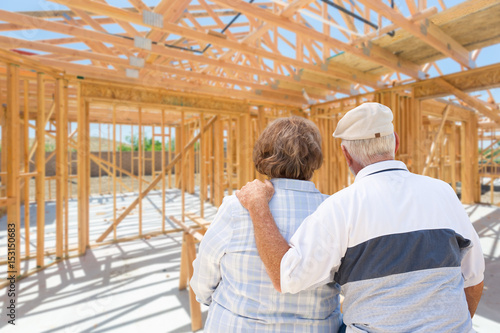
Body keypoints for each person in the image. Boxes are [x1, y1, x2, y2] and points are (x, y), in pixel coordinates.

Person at [236, 103, 485, 333]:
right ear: (395, 143)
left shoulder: (340, 207)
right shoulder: (443, 192)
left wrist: (259, 207)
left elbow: (286, 277)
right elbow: (473, 279)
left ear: (346, 154)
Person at [190, 117, 342, 332]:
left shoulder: (236, 206)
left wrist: (214, 302)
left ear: (264, 154)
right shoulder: (335, 211)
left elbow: (205, 273)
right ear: (315, 158)